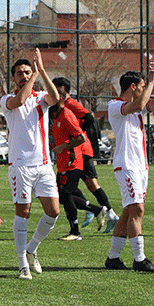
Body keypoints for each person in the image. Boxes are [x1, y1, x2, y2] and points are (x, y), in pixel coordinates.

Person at [1, 50, 60, 280]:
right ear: (13, 78)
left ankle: (31, 248)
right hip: (20, 166)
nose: (24, 76)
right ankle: (21, 264)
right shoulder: (7, 100)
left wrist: (42, 71)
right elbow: (20, 100)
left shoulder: (41, 97)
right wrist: (34, 75)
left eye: (27, 72)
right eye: (20, 73)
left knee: (53, 212)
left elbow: (54, 99)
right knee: (23, 213)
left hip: (43, 165)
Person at [104, 61, 154, 272]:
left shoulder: (138, 106)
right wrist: (149, 81)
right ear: (133, 87)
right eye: (141, 87)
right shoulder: (116, 106)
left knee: (128, 211)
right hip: (126, 165)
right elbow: (140, 105)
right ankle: (140, 259)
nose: (144, 90)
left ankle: (113, 258)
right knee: (137, 209)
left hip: (141, 166)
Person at [51, 77, 119, 232]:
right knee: (72, 187)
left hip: (80, 150)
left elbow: (89, 117)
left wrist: (76, 132)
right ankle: (94, 210)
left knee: (83, 186)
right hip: (76, 150)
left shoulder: (70, 104)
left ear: (61, 88)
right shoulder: (60, 108)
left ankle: (106, 213)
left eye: (53, 87)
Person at [50, 94, 88, 241]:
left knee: (66, 195)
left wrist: (63, 147)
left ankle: (75, 232)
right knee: (63, 196)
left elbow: (80, 138)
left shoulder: (66, 115)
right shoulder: (56, 116)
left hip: (72, 162)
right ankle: (95, 209)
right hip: (63, 162)